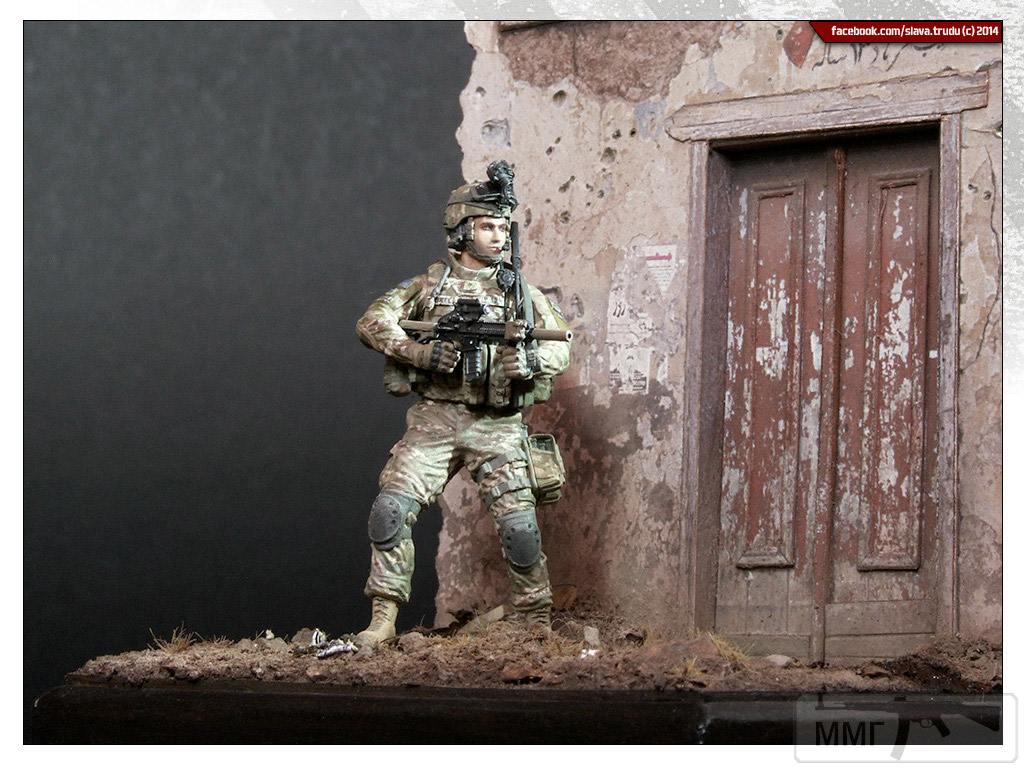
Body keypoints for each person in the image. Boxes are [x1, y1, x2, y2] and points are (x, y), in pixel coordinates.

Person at [352, 161, 572, 647]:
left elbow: (561, 345)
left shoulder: (520, 294)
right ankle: (383, 618)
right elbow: (372, 322)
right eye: (488, 227)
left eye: (503, 228)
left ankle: (535, 618)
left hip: (497, 425)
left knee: (519, 528)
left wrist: (529, 362)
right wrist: (416, 352)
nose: (499, 237)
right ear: (461, 229)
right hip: (435, 420)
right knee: (390, 511)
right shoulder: (428, 287)